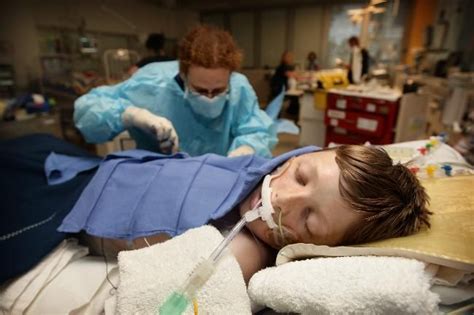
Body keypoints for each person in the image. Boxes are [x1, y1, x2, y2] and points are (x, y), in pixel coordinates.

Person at [1, 134, 431, 283]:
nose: (280, 199)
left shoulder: (244, 251)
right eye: (300, 176)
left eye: (308, 219)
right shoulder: (272, 164)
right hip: (82, 164)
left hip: (62, 206)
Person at [74, 25, 277, 158]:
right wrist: (132, 115)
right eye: (200, 90)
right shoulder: (150, 83)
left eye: (218, 91)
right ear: (183, 72)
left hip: (217, 179)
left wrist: (245, 151)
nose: (209, 98)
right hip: (156, 179)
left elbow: (258, 131)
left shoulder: (239, 88)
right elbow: (87, 110)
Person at [270, 51, 300, 116]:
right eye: (288, 57)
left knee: (296, 98)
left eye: (291, 57)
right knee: (295, 98)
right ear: (283, 58)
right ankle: (290, 115)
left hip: (283, 88)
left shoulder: (288, 66)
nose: (290, 58)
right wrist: (295, 75)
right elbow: (291, 75)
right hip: (278, 89)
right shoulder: (281, 67)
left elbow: (295, 76)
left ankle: (291, 114)